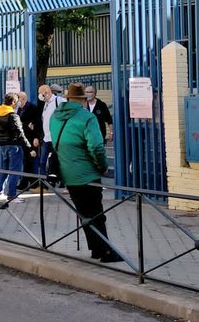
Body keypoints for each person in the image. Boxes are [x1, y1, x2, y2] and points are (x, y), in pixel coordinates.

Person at [52, 82, 122, 263]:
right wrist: (103, 166)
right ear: (82, 100)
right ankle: (105, 251)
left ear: (68, 99)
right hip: (87, 174)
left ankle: (95, 249)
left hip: (68, 173)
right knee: (97, 213)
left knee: (84, 213)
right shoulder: (86, 117)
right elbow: (96, 147)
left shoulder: (55, 116)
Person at [0, 93, 32, 203]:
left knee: (4, 169)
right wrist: (29, 147)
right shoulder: (13, 115)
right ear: (13, 102)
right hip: (14, 146)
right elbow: (20, 132)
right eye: (17, 101)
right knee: (14, 171)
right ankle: (11, 195)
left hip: (3, 145)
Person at [34, 84, 64, 190]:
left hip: (56, 137)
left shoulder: (58, 101)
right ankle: (45, 183)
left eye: (41, 93)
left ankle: (61, 181)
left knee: (58, 160)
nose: (40, 96)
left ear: (46, 92)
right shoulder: (45, 104)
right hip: (47, 137)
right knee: (43, 161)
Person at [17, 91, 42, 191]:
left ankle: (32, 183)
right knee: (26, 161)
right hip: (23, 138)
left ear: (24, 99)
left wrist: (37, 137)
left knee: (31, 160)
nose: (17, 101)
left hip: (31, 138)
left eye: (18, 98)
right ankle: (27, 182)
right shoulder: (19, 109)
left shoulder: (32, 108)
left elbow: (38, 123)